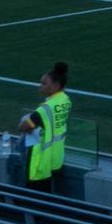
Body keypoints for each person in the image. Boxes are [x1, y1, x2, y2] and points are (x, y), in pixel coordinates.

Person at [15, 61, 71, 191]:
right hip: (56, 156)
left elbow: (24, 127)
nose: (41, 86)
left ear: (56, 85)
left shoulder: (44, 110)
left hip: (40, 161)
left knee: (35, 197)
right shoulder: (66, 100)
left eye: (44, 84)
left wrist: (25, 120)